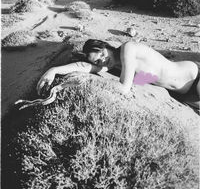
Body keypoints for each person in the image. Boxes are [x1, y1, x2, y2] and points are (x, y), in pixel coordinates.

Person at [36, 39, 200, 111]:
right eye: (98, 61)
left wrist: (87, 81)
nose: (103, 60)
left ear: (106, 46)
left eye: (101, 53)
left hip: (195, 76)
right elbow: (84, 66)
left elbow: (123, 88)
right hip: (186, 96)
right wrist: (54, 70)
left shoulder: (128, 49)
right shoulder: (113, 67)